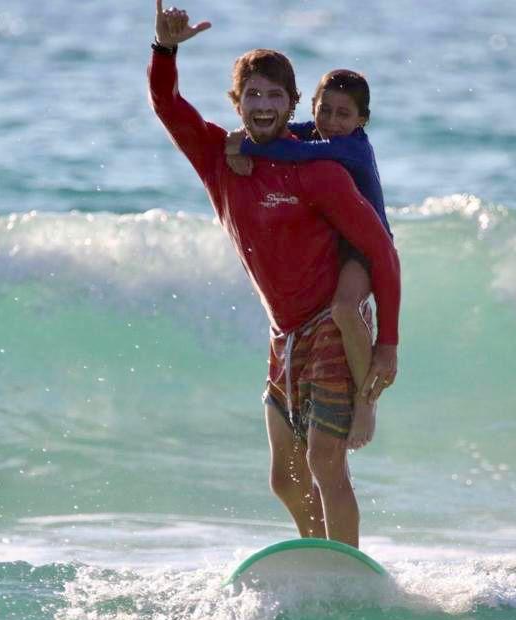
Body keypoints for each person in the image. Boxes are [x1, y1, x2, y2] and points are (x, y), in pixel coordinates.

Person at [149, 2, 400, 548]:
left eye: (274, 96)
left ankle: (344, 570)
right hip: (283, 334)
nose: (263, 105)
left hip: (330, 323)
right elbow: (168, 106)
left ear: (291, 104)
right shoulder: (219, 158)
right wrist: (165, 50)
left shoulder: (321, 170)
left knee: (325, 462)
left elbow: (382, 252)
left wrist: (387, 344)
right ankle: (318, 559)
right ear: (237, 103)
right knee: (285, 479)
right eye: (252, 95)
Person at [226, 70, 390, 452]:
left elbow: (294, 151)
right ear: (313, 106)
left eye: (343, 114)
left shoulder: (350, 147)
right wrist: (238, 138)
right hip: (338, 244)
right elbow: (287, 134)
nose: (331, 122)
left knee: (344, 308)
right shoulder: (318, 131)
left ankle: (366, 402)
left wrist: (244, 146)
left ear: (362, 120)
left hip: (365, 250)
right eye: (324, 110)